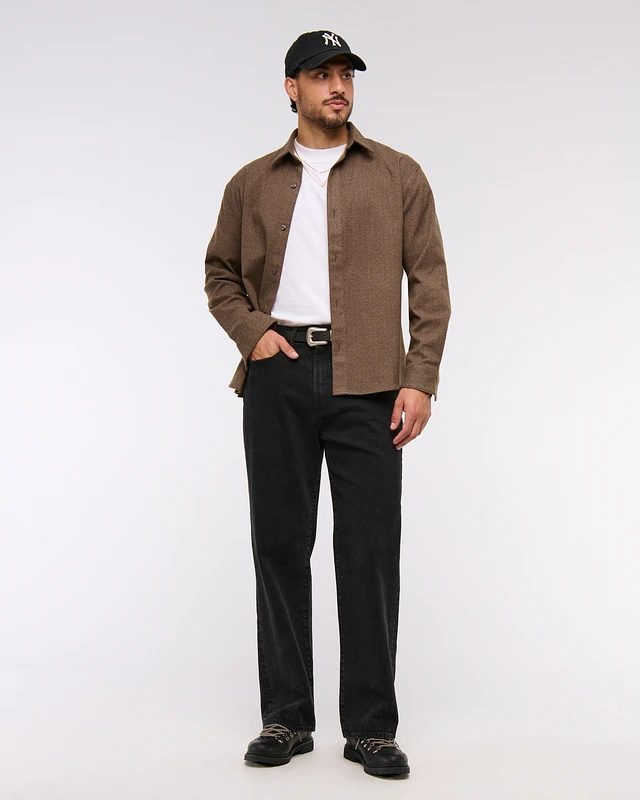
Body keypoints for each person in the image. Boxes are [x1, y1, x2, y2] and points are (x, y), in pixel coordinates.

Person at [204, 29, 451, 778]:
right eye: (321, 75)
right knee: (280, 544)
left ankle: (371, 728)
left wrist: (420, 377)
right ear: (292, 88)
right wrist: (253, 334)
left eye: (345, 74)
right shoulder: (251, 183)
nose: (337, 86)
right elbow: (220, 273)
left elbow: (430, 282)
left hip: (371, 379)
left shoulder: (399, 175)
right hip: (278, 372)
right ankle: (285, 718)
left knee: (369, 550)